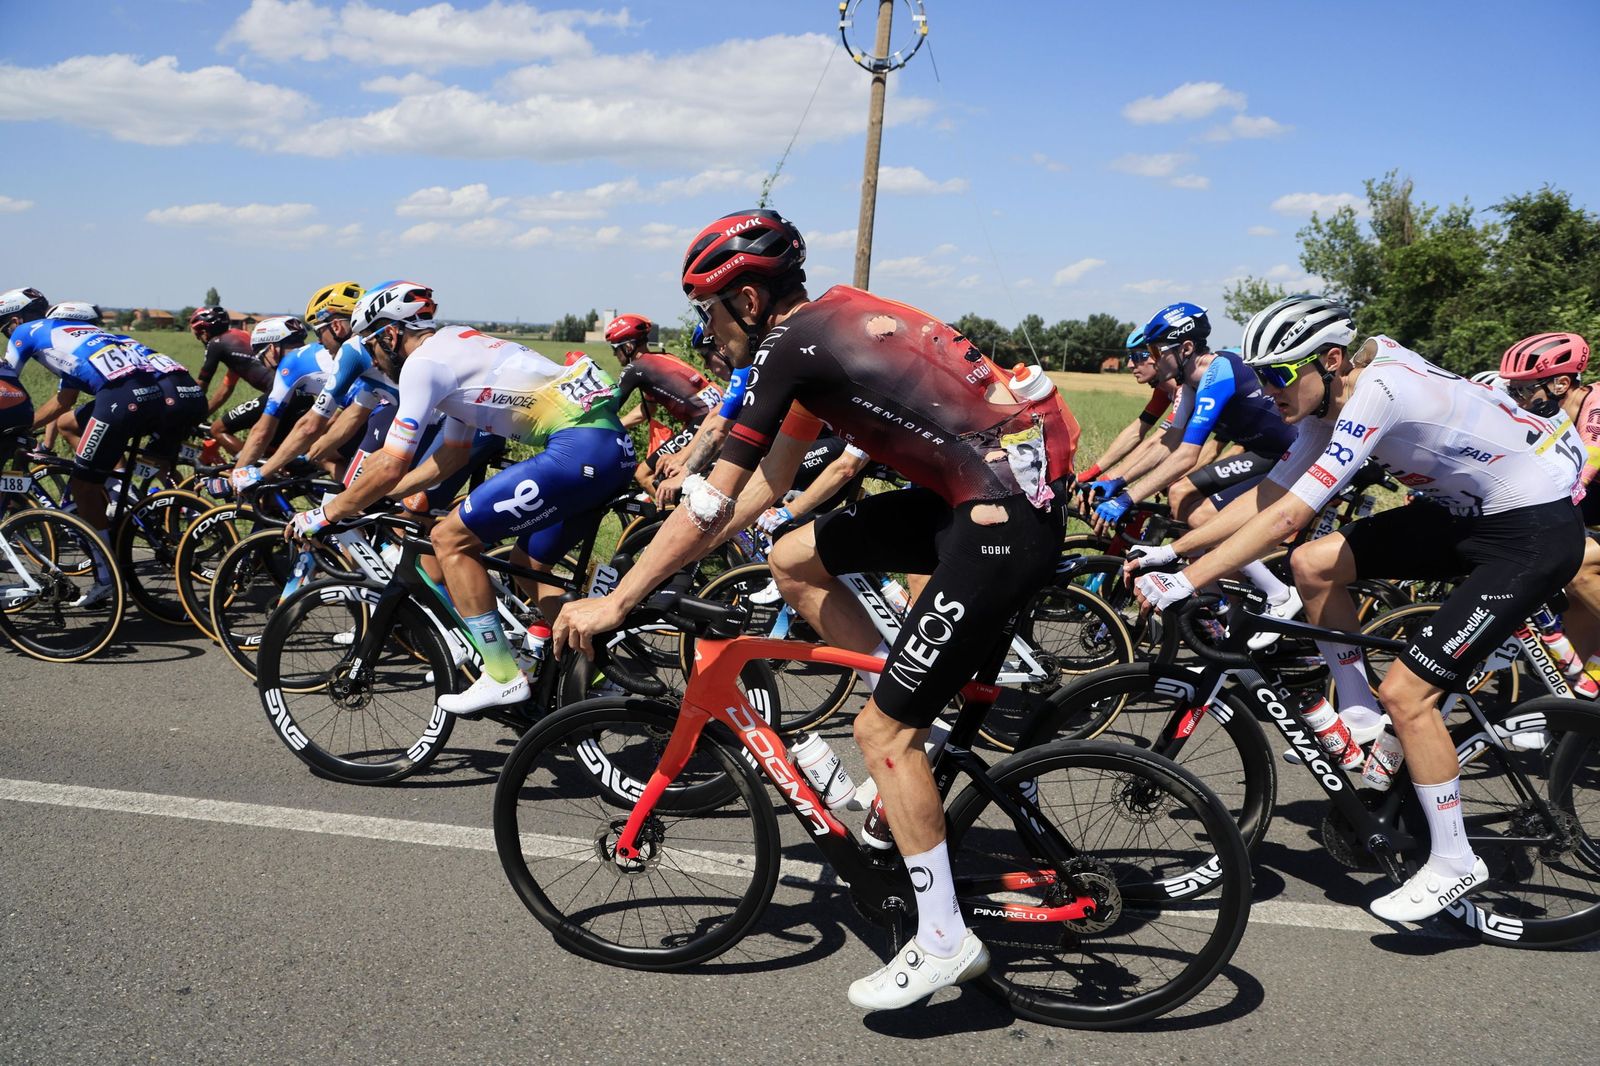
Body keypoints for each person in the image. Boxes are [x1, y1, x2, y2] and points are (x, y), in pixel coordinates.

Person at [553, 209, 1080, 1010]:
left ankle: (943, 939)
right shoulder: (819, 338)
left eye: (708, 310)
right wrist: (686, 544)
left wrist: (617, 601)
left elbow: (711, 500)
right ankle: (911, 702)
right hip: (984, 499)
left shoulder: (787, 347)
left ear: (749, 301)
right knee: (794, 556)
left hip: (999, 520)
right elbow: (767, 486)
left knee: (880, 734)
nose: (706, 329)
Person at [1129, 294, 1587, 923]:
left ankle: (1454, 859)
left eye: (1279, 374)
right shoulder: (1325, 402)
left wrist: (1188, 581)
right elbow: (1270, 494)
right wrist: (1173, 550)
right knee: (1314, 564)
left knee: (1409, 694)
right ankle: (1360, 712)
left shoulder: (1380, 393)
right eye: (1260, 375)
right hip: (1466, 516)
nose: (1268, 389)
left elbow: (1288, 517)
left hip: (1529, 535)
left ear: (1331, 359)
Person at [288, 282, 634, 715]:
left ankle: (502, 675)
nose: (373, 359)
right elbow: (451, 455)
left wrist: (326, 514)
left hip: (576, 452)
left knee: (449, 539)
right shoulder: (455, 346)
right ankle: (599, 670)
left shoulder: (422, 365)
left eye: (372, 346)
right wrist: (386, 496)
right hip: (611, 451)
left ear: (390, 334)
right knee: (528, 566)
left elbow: (391, 462)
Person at [1094, 303, 1303, 638]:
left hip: (1295, 454)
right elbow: (1169, 443)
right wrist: (1118, 480)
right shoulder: (1190, 383)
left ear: (1186, 348)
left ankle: (1278, 594)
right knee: (1184, 499)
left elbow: (1187, 456)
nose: (1152, 359)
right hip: (1265, 453)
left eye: (1155, 351)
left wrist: (1126, 499)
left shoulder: (1217, 373)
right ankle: (1228, 611)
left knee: (1204, 516)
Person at [1, 286, 206, 602]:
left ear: (15, 320)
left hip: (120, 399)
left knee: (83, 487)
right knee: (72, 426)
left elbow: (7, 382)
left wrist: (14, 425)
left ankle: (107, 575)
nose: (7, 334)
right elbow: (64, 401)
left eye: (4, 328)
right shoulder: (79, 334)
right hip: (153, 395)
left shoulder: (25, 331)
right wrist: (28, 426)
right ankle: (117, 489)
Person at [1498, 332, 1600, 681]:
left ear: (1561, 384)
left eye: (1524, 390)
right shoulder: (1552, 418)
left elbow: (1590, 461)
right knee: (1568, 576)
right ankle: (1584, 694)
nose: (1518, 399)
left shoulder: (1596, 406)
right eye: (1513, 389)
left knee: (1579, 563)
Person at [605, 313, 724, 491]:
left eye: (615, 348)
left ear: (628, 346)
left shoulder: (635, 368)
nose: (614, 354)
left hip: (702, 420)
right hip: (715, 413)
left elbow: (608, 407)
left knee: (644, 474)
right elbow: (646, 411)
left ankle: (669, 509)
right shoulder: (659, 359)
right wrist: (619, 426)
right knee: (671, 472)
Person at [1075, 326, 1178, 499]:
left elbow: (1157, 442)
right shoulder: (1164, 390)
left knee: (1176, 489)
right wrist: (1091, 473)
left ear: (1158, 355)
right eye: (1129, 357)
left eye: (1137, 357)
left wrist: (1110, 480)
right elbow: (1136, 431)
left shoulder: (1186, 390)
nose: (1130, 365)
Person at [186, 307, 276, 457]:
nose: (200, 339)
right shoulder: (240, 336)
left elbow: (201, 386)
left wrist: (186, 415)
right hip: (292, 393)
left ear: (204, 331)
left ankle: (248, 467)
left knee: (218, 430)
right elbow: (225, 390)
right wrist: (201, 416)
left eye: (198, 335)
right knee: (269, 445)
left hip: (276, 394)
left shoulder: (216, 343)